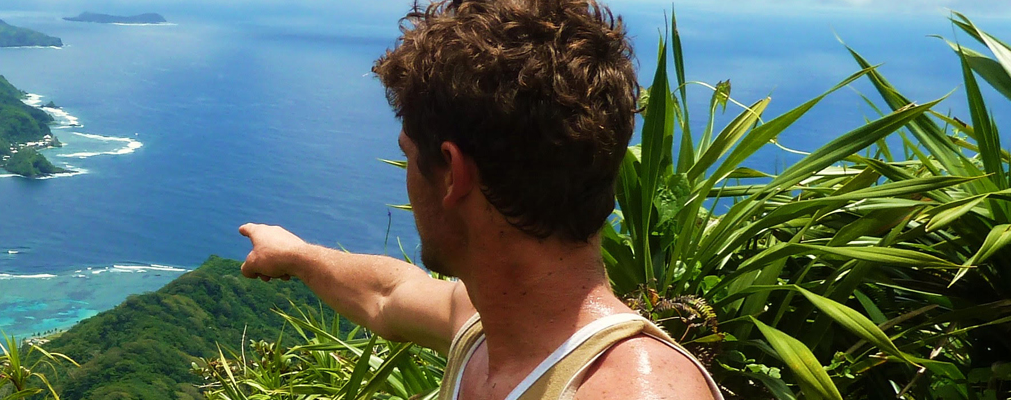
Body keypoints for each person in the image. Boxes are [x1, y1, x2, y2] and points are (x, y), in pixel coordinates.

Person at [236, 0, 722, 398]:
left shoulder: (639, 389)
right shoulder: (486, 331)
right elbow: (387, 294)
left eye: (409, 155)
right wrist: (294, 256)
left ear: (452, 173)